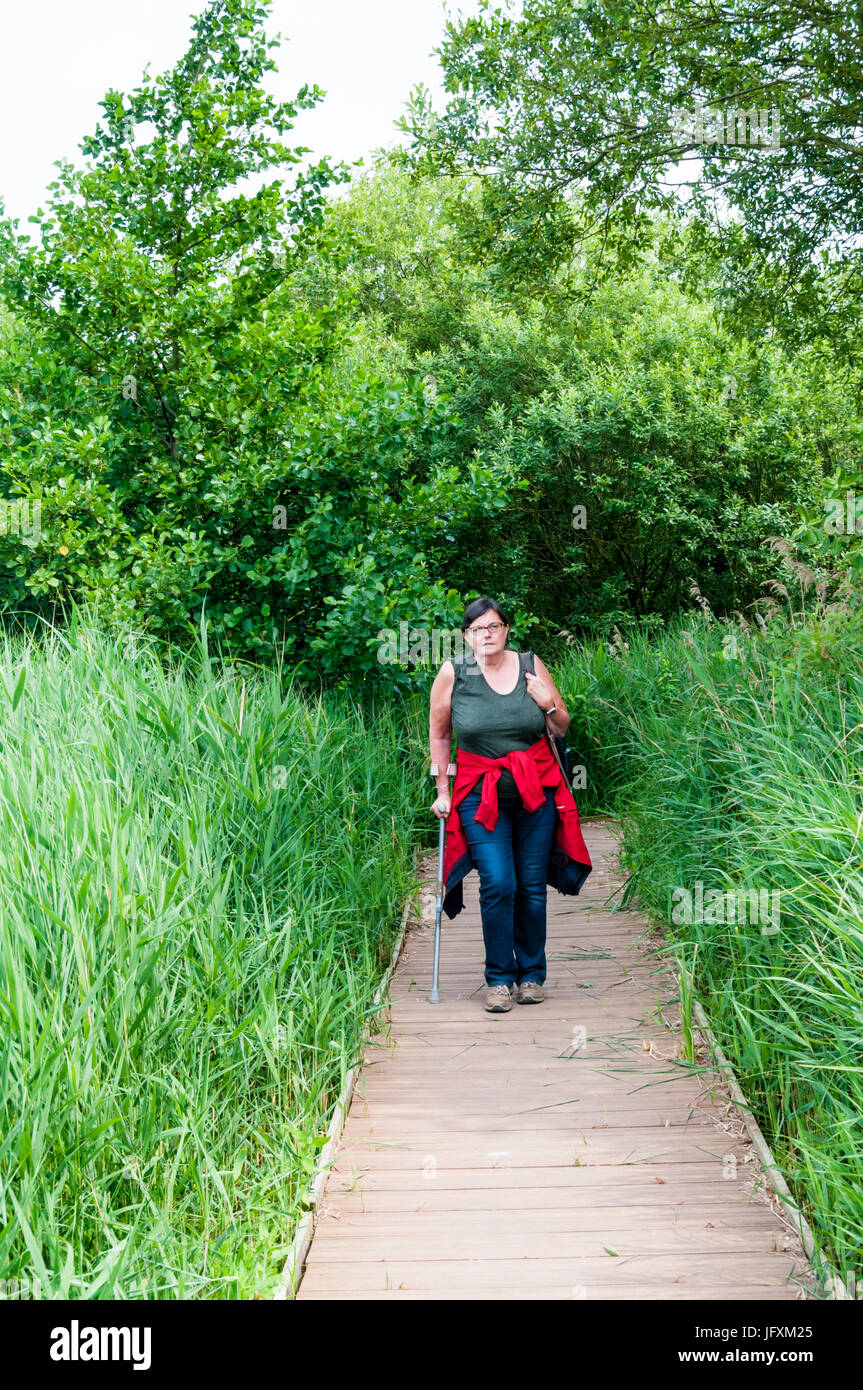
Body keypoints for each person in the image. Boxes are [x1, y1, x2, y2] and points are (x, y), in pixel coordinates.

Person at [428, 596, 592, 1012]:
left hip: (536, 793)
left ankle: (532, 975)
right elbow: (441, 735)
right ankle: (499, 980)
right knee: (499, 883)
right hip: (478, 796)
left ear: (506, 630)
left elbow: (561, 725)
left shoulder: (531, 666)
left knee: (531, 887)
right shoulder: (453, 674)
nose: (487, 634)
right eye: (478, 628)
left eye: (494, 626)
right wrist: (442, 791)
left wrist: (547, 703)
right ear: (467, 635)